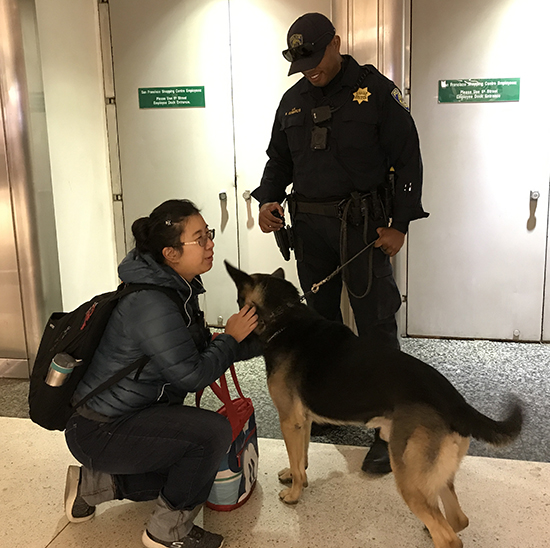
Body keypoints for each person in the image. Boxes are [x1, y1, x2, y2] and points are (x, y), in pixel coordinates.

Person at [251, 13, 428, 475]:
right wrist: (269, 200)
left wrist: (401, 224)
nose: (310, 69)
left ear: (336, 42)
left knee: (375, 327)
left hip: (363, 230)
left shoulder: (375, 92)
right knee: (321, 326)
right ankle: (328, 410)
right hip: (310, 230)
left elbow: (408, 159)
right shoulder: (292, 102)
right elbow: (279, 161)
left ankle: (388, 428)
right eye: (300, 62)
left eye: (315, 58)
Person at [63, 199, 259, 548]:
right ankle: (166, 533)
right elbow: (192, 375)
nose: (210, 243)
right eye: (200, 238)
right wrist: (230, 337)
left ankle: (91, 485)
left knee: (197, 470)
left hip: (130, 417)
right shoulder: (151, 303)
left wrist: (267, 340)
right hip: (102, 429)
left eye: (208, 234)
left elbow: (198, 352)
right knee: (211, 436)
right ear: (170, 253)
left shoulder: (177, 291)